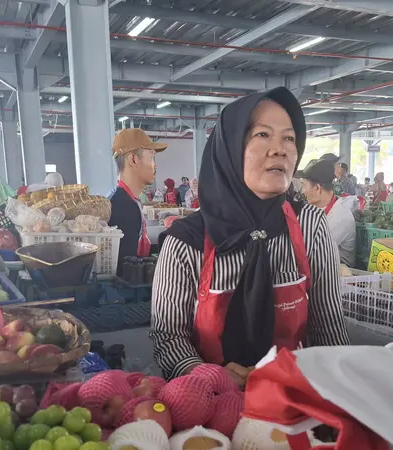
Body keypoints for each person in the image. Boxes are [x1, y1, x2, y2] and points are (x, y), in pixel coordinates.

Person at [151, 87, 350, 382]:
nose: (279, 149)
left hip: (293, 402)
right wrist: (209, 376)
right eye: (262, 135)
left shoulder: (309, 225)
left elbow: (328, 327)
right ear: (231, 147)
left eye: (289, 138)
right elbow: (168, 337)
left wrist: (336, 397)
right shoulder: (187, 241)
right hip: (210, 409)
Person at [108, 128, 168, 274]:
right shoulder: (123, 207)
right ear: (133, 160)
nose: (155, 165)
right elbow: (128, 269)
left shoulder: (124, 199)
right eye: (151, 157)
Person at [299, 159, 356, 266]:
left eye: (304, 185)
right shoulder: (312, 208)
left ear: (317, 188)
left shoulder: (340, 216)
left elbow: (312, 252)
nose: (302, 191)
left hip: (338, 274)